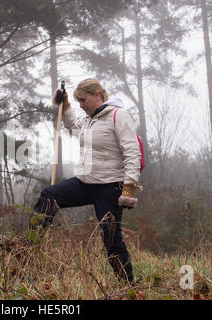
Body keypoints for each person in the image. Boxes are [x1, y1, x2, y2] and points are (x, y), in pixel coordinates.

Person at [28, 78, 142, 283]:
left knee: (111, 239)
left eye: (83, 100)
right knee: (49, 196)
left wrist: (129, 187)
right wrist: (66, 105)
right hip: (86, 181)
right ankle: (26, 248)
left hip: (110, 186)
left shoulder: (118, 116)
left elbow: (133, 154)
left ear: (97, 94)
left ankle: (128, 286)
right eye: (77, 101)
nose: (81, 104)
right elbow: (73, 125)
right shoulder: (89, 119)